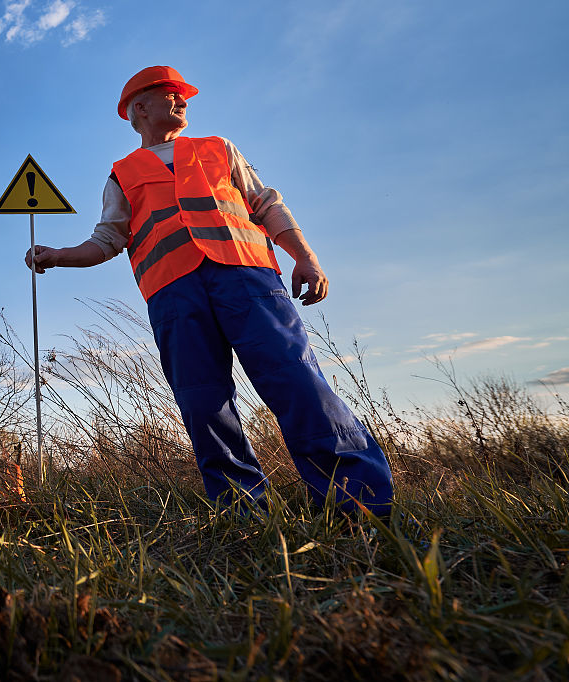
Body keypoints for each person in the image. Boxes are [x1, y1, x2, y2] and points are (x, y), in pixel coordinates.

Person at [26, 65, 393, 516]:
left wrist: (306, 256)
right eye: (171, 95)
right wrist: (58, 255)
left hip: (248, 279)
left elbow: (266, 204)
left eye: (184, 96)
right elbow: (107, 240)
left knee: (297, 381)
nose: (183, 102)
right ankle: (242, 513)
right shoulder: (122, 174)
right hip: (174, 294)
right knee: (203, 403)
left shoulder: (218, 149)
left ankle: (360, 505)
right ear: (139, 108)